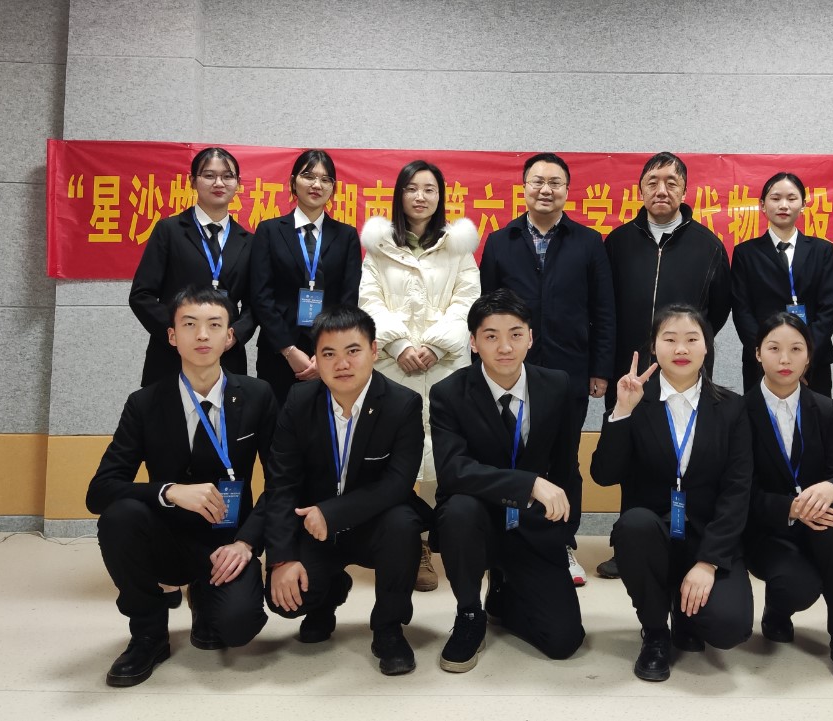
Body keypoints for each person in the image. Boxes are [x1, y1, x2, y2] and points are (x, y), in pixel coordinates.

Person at [86, 286, 276, 687]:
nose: (202, 335)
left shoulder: (258, 396)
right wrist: (168, 491)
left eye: (214, 325)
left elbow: (282, 482)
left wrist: (247, 544)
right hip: (167, 538)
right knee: (120, 516)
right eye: (189, 325)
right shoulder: (144, 403)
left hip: (227, 541)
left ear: (230, 336)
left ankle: (206, 597)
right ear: (172, 336)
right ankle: (148, 634)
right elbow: (100, 490)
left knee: (237, 627)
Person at [263, 305, 431, 676]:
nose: (342, 364)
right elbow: (282, 483)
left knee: (403, 523)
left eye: (353, 351)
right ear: (316, 359)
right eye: (329, 354)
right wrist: (281, 559)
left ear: (373, 351)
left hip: (375, 523)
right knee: (285, 601)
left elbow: (397, 483)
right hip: (314, 527)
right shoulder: (298, 402)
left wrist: (334, 513)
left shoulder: (403, 404)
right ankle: (328, 596)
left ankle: (388, 629)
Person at [591, 304, 753, 682]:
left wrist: (709, 562)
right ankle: (655, 632)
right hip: (653, 534)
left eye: (692, 339)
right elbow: (604, 475)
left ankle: (685, 611)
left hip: (706, 536)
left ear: (707, 347)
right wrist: (622, 411)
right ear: (654, 346)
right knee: (634, 525)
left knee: (728, 627)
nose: (681, 348)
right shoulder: (634, 400)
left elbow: (737, 490)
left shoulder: (731, 407)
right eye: (670, 339)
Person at [429, 289, 585, 672]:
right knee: (459, 509)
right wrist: (527, 484)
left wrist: (563, 535)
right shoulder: (448, 393)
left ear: (530, 338)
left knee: (564, 641)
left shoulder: (557, 385)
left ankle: (504, 591)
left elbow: (567, 468)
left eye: (515, 334)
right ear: (473, 342)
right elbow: (453, 471)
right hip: (476, 522)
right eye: (491, 336)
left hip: (530, 525)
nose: (504, 347)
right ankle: (470, 613)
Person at [479, 152, 616, 586]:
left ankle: (563, 544)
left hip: (568, 371)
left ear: (566, 191)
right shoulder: (500, 241)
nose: (545, 189)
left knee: (565, 461)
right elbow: (483, 311)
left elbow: (604, 310)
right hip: (508, 371)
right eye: (537, 181)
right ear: (523, 188)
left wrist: (600, 369)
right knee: (509, 456)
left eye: (555, 182)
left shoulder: (588, 242)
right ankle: (506, 544)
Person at [598, 152, 732, 580]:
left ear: (684, 191)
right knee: (630, 457)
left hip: (685, 371)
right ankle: (628, 544)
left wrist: (684, 348)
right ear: (639, 190)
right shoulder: (617, 242)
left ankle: (688, 540)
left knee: (683, 455)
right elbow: (603, 308)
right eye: (653, 182)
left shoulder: (708, 245)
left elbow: (718, 309)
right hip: (630, 371)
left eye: (672, 182)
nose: (662, 190)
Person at [359, 159, 480, 593]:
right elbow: (369, 301)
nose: (420, 197)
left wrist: (434, 345)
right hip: (393, 367)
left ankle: (429, 541)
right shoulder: (379, 247)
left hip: (443, 366)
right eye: (412, 188)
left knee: (438, 456)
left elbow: (468, 302)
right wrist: (398, 346)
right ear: (399, 194)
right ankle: (405, 545)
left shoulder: (457, 247)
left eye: (429, 189)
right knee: (395, 454)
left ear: (440, 196)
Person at [743, 312, 833, 681]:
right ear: (757, 353)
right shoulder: (738, 412)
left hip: (821, 523)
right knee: (797, 588)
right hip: (767, 528)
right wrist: (792, 508)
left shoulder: (825, 409)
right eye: (774, 348)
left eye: (796, 349)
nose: (785, 359)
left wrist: (832, 488)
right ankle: (777, 610)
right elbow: (738, 492)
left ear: (809, 356)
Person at [129, 147, 255, 386]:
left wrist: (235, 335)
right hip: (171, 357)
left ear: (238, 184)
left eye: (227, 176)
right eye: (209, 175)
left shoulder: (249, 241)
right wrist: (179, 332)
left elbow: (254, 304)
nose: (219, 183)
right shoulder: (169, 230)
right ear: (193, 181)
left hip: (226, 357)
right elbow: (141, 295)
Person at [250, 149, 361, 405]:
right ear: (293, 182)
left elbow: (348, 301)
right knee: (277, 423)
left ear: (333, 188)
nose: (316, 184)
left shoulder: (346, 236)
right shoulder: (269, 231)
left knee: (326, 422)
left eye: (325, 179)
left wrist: (326, 353)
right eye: (308, 176)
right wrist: (288, 350)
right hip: (278, 352)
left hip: (331, 354)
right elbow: (261, 296)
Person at [731, 172, 833, 395]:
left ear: (803, 204)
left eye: (791, 198)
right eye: (775, 198)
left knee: (813, 415)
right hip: (761, 364)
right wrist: (766, 356)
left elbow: (828, 309)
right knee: (761, 416)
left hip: (813, 364)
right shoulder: (745, 253)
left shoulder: (822, 250)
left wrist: (804, 356)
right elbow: (742, 311)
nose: (783, 205)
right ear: (762, 205)